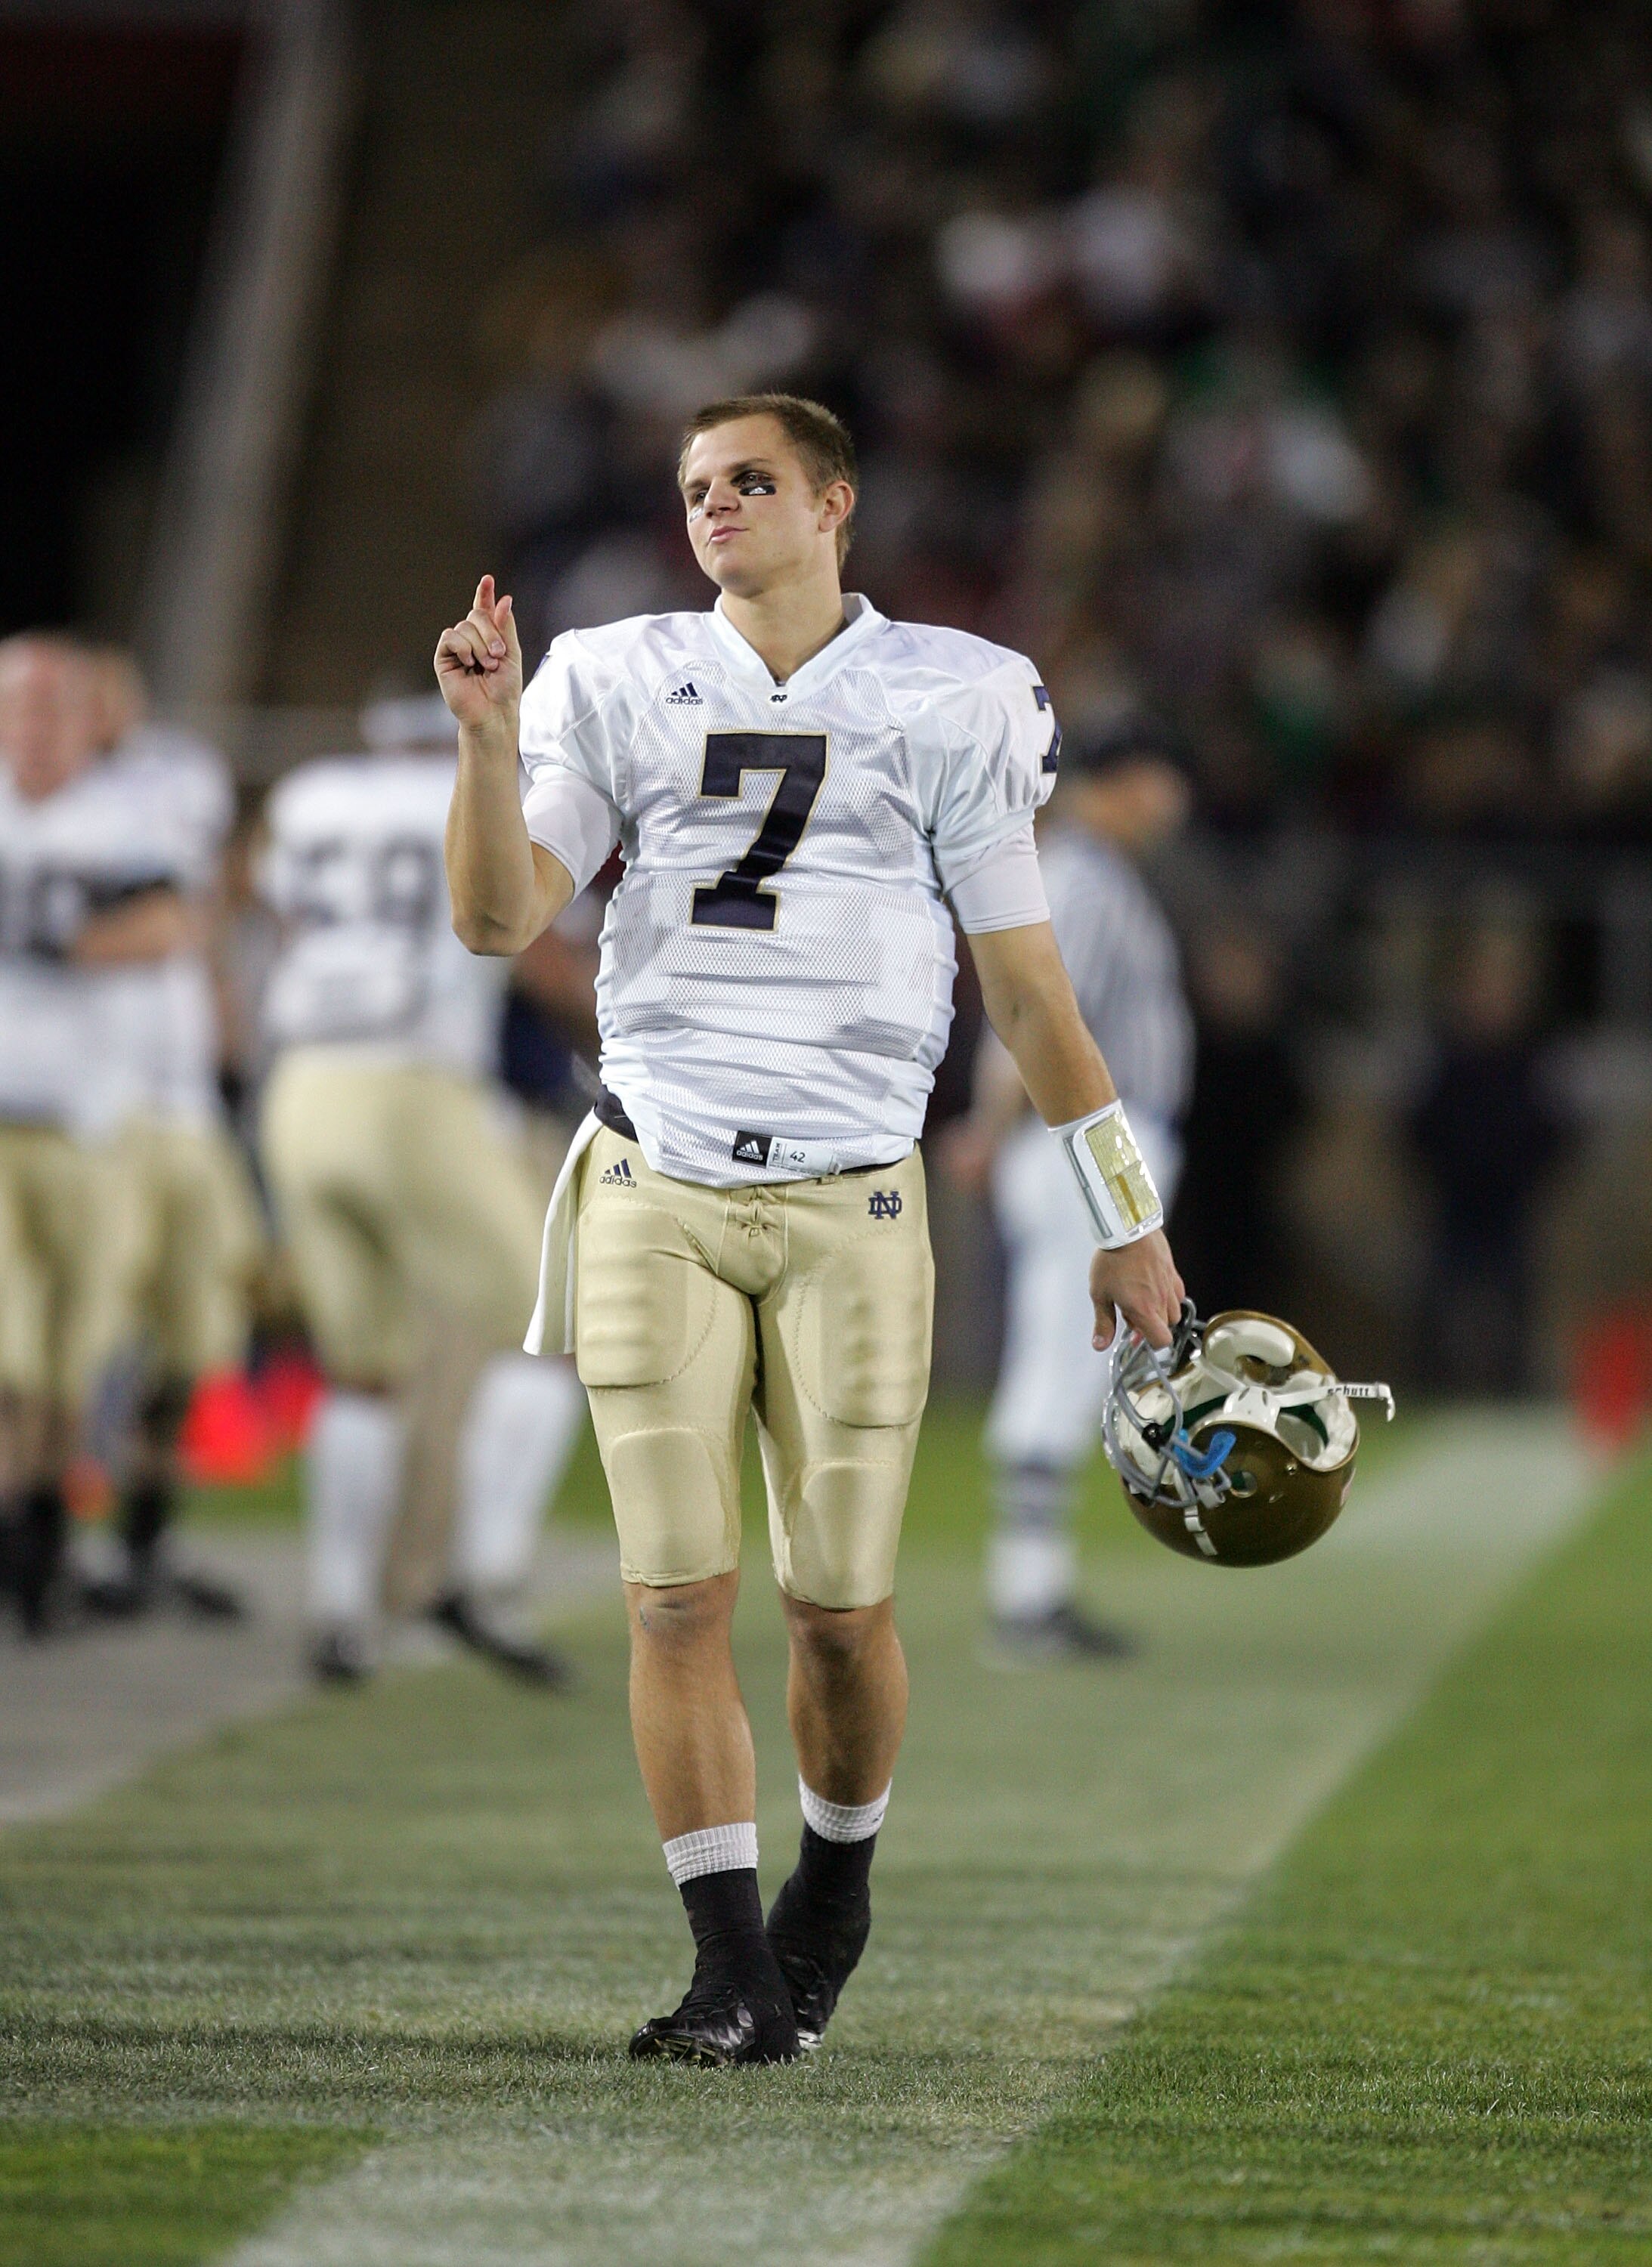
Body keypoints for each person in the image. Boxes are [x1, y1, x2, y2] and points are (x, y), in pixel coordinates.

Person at [437, 391, 1185, 2065]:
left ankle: (833, 1891)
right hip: (657, 1181)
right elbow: (498, 917)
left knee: (840, 1611)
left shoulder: (954, 694)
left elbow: (1029, 992)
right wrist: (487, 743)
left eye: (753, 480)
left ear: (833, 501)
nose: (717, 507)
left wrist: (1121, 1220)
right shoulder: (618, 674)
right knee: (670, 1601)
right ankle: (725, 1968)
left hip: (856, 1195)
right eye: (698, 487)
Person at [255, 707, 589, 1684]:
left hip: (303, 1087)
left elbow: (276, 908)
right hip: (413, 1087)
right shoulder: (481, 794)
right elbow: (530, 946)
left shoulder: (313, 797)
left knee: (363, 1366)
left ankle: (338, 1609)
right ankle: (479, 1580)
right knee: (551, 1323)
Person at [944, 714, 1193, 1659]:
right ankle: (1024, 1598)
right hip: (1079, 1154)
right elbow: (1038, 1022)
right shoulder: (1082, 876)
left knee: (1068, 1357)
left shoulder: (1091, 872)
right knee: (1059, 1354)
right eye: (1161, 775)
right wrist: (989, 1125)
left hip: (1086, 1151)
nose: (1173, 800)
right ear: (1121, 779)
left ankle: (1033, 1590)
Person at [0, 636, 196, 1630]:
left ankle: (42, 1529)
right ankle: (20, 1540)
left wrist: (55, 936)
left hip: (89, 1120)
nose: (32, 729)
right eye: (18, 709)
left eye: (50, 710)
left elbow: (165, 927)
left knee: (75, 1351)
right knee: (9, 1351)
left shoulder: (125, 815)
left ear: (84, 723)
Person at [75, 645, 261, 1620]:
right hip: (81, 1105)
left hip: (181, 1096)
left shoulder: (168, 778)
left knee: (194, 1327)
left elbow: (202, 918)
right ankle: (43, 1536)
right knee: (66, 1333)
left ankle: (144, 1535)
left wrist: (229, 1048)